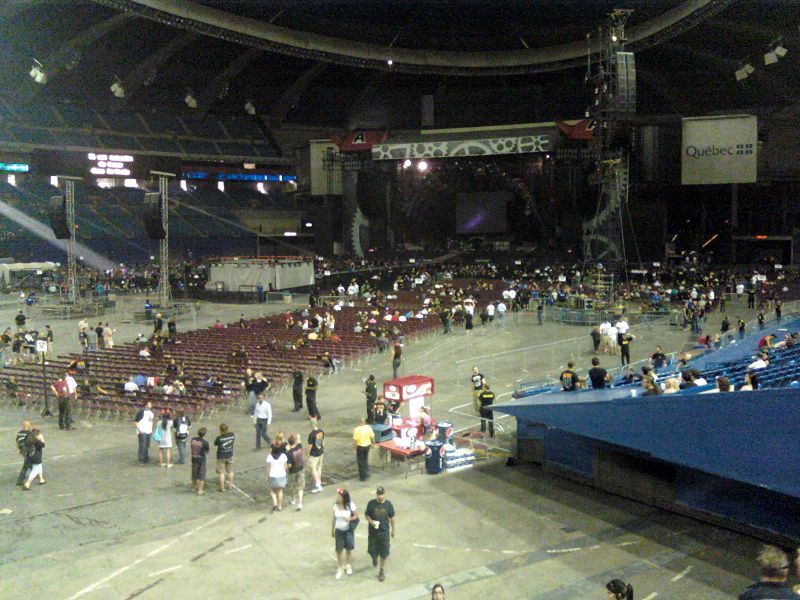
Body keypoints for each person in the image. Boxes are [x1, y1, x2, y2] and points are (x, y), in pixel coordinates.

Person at [365, 486, 396, 582]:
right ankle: (374, 557)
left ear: (384, 494)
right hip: (373, 532)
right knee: (371, 550)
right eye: (378, 494)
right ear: (376, 494)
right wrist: (372, 522)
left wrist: (393, 530)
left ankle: (381, 570)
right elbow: (367, 515)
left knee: (384, 552)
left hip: (384, 532)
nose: (380, 496)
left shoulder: (388, 505)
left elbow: (392, 518)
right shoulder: (371, 504)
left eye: (382, 494)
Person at [332, 488, 358, 580]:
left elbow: (356, 516)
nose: (337, 496)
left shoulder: (351, 505)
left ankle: (348, 564)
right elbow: (334, 519)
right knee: (339, 550)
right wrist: (332, 530)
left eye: (339, 495)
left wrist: (350, 519)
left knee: (349, 548)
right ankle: (340, 566)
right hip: (339, 531)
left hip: (348, 531)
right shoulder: (335, 506)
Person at [266, 443, 288, 511]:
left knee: (272, 490)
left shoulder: (269, 457)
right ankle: (280, 506)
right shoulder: (283, 456)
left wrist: (267, 476)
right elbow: (286, 467)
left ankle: (275, 503)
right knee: (280, 491)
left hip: (273, 475)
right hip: (281, 475)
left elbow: (268, 468)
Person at [286, 433, 305, 511]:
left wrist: (285, 467)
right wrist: (298, 437)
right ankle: (300, 502)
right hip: (300, 469)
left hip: (292, 471)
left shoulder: (289, 453)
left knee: (292, 486)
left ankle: (293, 499)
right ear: (294, 442)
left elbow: (289, 465)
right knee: (300, 486)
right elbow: (299, 442)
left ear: (289, 443)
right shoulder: (299, 447)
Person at [214, 423, 235, 492]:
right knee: (230, 471)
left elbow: (215, 443)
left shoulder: (219, 438)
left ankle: (222, 487)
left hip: (221, 456)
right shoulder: (232, 435)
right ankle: (230, 485)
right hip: (230, 455)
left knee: (221, 473)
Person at [134, 401, 155, 465]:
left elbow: (151, 421)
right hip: (142, 430)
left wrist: (151, 428)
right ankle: (141, 459)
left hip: (149, 431)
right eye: (149, 404)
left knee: (147, 445)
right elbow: (136, 421)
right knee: (142, 445)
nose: (150, 405)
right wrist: (139, 430)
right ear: (145, 405)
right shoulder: (140, 412)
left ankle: (146, 457)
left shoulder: (151, 413)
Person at [190, 427, 209, 495]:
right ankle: (200, 490)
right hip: (201, 460)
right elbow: (207, 451)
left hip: (194, 458)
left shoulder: (193, 439)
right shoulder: (205, 442)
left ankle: (193, 487)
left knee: (194, 473)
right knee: (201, 474)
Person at [307, 423, 325, 493]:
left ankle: (318, 485)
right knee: (319, 467)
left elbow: (310, 446)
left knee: (313, 468)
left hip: (314, 454)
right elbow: (322, 442)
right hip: (321, 451)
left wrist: (306, 454)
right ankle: (319, 482)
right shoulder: (321, 431)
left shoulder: (311, 434)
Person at [15, 420, 32, 486]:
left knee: (30, 463)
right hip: (28, 450)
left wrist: (18, 449)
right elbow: (31, 442)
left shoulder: (19, 433)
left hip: (22, 450)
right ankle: (20, 480)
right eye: (30, 424)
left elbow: (17, 441)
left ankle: (37, 473)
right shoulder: (29, 433)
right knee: (26, 466)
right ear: (27, 426)